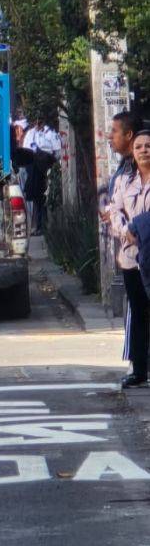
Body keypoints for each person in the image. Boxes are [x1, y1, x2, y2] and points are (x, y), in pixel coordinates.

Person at [108, 128, 150, 388]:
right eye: (139, 147)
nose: (144, 150)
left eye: (148, 146)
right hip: (132, 257)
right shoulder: (125, 181)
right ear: (132, 154)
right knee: (138, 309)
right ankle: (139, 368)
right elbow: (114, 210)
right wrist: (127, 231)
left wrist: (139, 229)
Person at [22, 115, 61, 235]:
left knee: (44, 199)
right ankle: (37, 226)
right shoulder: (30, 133)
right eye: (36, 122)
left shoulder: (50, 133)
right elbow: (26, 149)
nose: (37, 124)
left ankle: (43, 226)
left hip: (45, 167)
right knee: (36, 199)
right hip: (33, 168)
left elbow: (57, 151)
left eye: (40, 121)